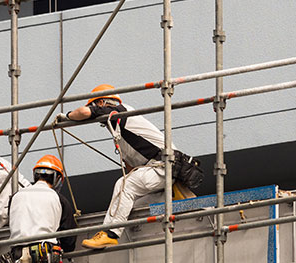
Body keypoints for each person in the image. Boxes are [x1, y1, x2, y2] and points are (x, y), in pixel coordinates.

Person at [56, 84, 199, 249]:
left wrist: (67, 117)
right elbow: (131, 166)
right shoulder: (121, 129)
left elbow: (84, 113)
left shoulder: (119, 111)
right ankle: (170, 195)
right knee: (132, 206)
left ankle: (110, 234)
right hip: (158, 169)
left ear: (101, 103)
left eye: (94, 105)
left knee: (124, 185)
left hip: (163, 166)